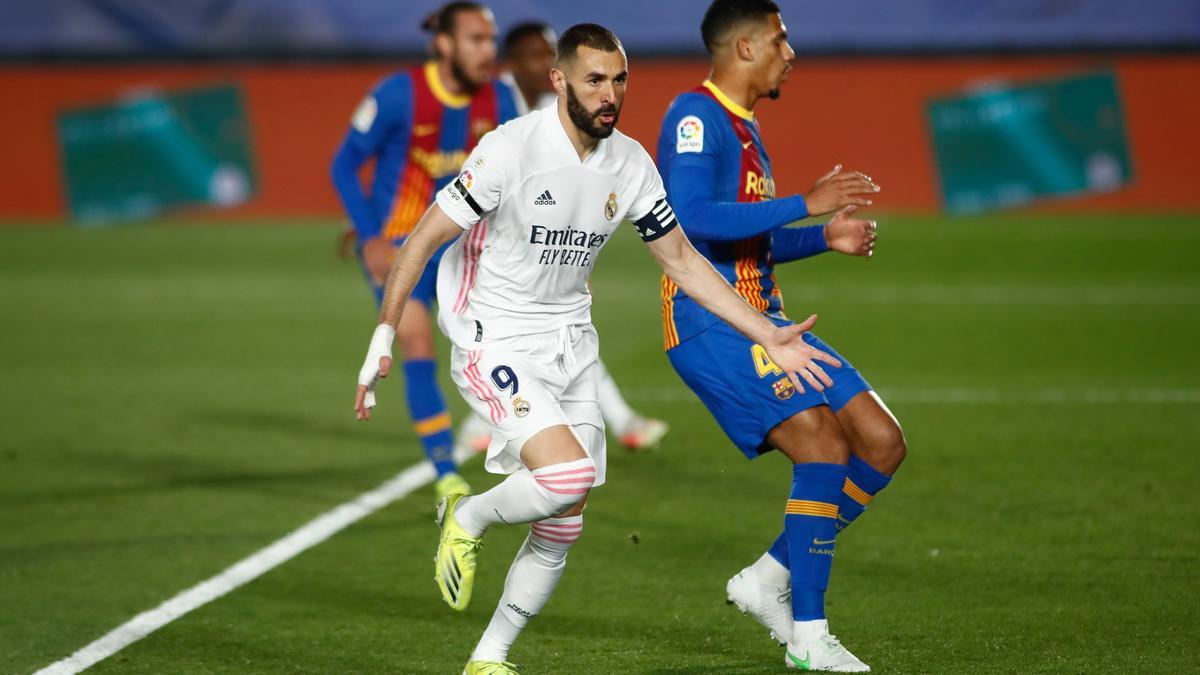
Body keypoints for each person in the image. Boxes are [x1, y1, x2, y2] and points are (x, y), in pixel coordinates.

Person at [353, 23, 841, 675]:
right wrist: (384, 335)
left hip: (571, 342)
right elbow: (418, 240)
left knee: (563, 518)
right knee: (566, 476)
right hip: (492, 333)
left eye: (619, 80)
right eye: (594, 80)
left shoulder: (631, 164)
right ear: (559, 82)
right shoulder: (510, 150)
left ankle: (488, 657)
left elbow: (685, 263)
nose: (610, 93)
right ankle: (467, 514)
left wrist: (766, 330)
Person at [655, 1, 908, 671]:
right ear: (743, 48)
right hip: (710, 321)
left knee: (881, 443)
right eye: (779, 39)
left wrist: (822, 237)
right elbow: (689, 217)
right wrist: (806, 201)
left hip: (767, 319)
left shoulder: (747, 129)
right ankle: (808, 635)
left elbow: (747, 237)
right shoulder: (693, 115)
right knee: (822, 445)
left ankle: (767, 577)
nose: (790, 52)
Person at [331, 2, 517, 502]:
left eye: (490, 39)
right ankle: (445, 474)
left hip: (469, 250)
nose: (487, 50)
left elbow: (522, 176)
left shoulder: (500, 100)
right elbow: (344, 164)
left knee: (507, 343)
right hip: (399, 247)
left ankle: (517, 437)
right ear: (444, 44)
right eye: (475, 39)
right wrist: (370, 234)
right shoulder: (398, 95)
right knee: (415, 342)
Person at [499, 19, 672, 451]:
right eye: (537, 54)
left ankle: (616, 420)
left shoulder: (549, 103)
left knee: (563, 337)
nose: (547, 61)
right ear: (514, 61)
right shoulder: (493, 105)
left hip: (529, 245)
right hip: (488, 250)